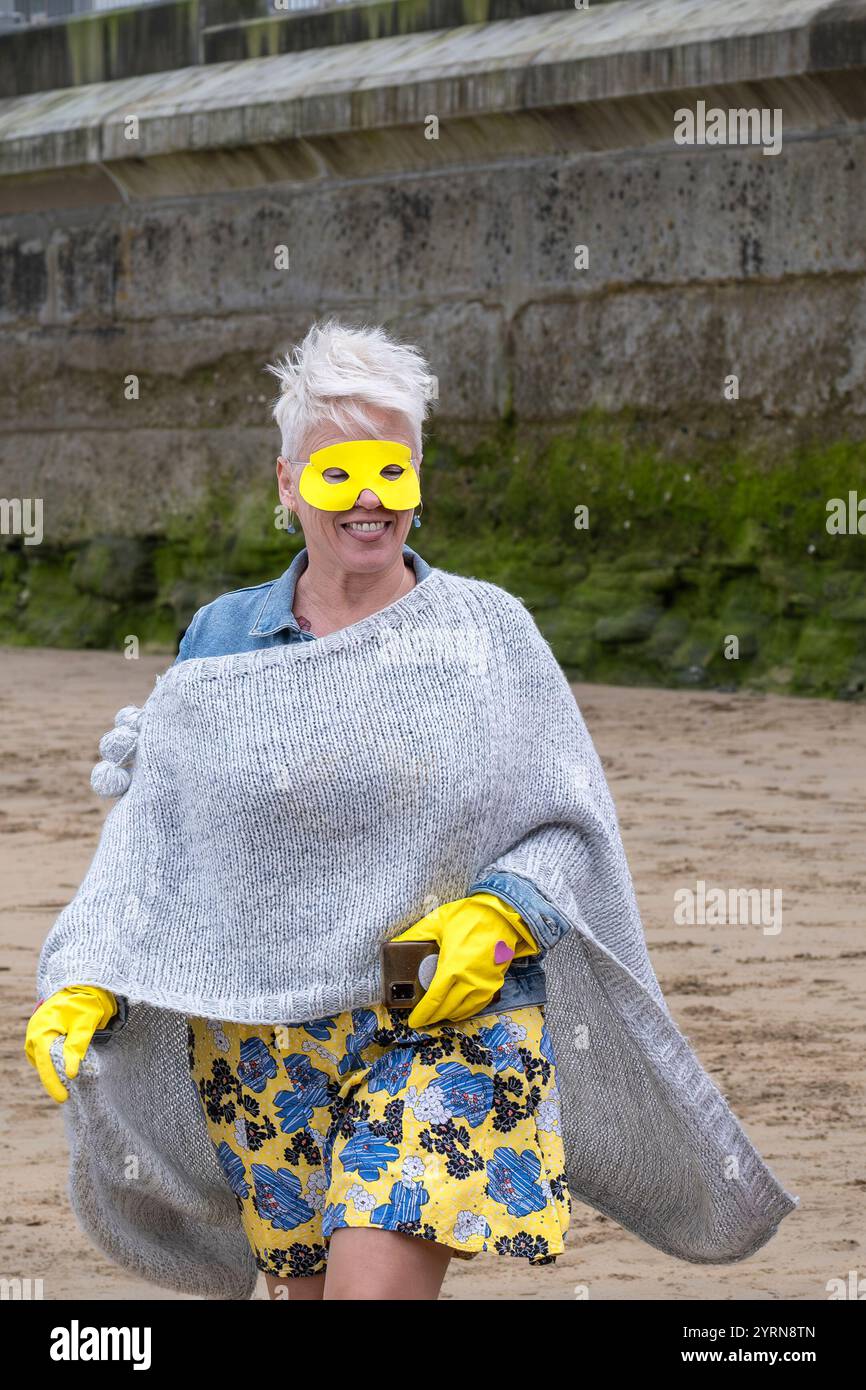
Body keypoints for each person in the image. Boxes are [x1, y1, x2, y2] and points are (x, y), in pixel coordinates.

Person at [26, 320, 798, 1302]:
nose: (364, 496)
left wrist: (501, 911)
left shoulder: (486, 632)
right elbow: (156, 844)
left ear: (417, 482)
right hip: (266, 1044)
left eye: (390, 470)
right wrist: (92, 972)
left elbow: (566, 820)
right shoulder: (218, 641)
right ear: (287, 482)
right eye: (337, 470)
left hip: (446, 1016)